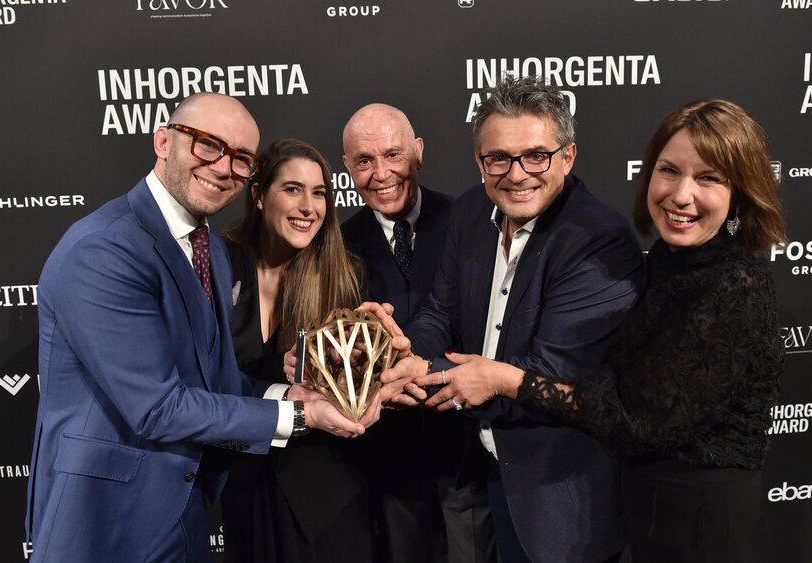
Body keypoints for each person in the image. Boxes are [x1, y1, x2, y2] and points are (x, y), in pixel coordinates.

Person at [415, 99, 787, 563]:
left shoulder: (732, 285)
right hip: (641, 507)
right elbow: (441, 311)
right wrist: (405, 358)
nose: (681, 195)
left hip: (700, 523)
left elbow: (628, 418)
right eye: (669, 171)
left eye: (708, 178)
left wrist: (497, 378)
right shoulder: (670, 261)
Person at [25, 93, 366, 563]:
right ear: (163, 142)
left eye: (241, 158)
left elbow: (212, 379)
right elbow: (158, 407)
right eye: (207, 144)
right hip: (102, 520)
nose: (223, 167)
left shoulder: (210, 249)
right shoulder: (104, 249)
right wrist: (301, 417)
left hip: (181, 515)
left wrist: (290, 395)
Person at [377, 75, 647, 563]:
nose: (517, 174)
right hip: (478, 469)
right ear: (479, 161)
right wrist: (405, 352)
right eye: (498, 158)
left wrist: (427, 373)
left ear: (568, 157)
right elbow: (439, 312)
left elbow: (548, 372)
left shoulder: (599, 241)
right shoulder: (470, 211)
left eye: (536, 156)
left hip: (559, 496)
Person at [340, 104, 495, 563]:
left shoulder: (471, 222)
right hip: (386, 459)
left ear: (419, 152)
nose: (381, 173)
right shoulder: (336, 245)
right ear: (347, 167)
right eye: (364, 161)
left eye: (393, 154)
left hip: (469, 448)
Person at [220, 138, 375, 563]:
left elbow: (359, 385)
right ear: (258, 194)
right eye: (292, 189)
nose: (309, 207)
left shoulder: (346, 275)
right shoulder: (217, 263)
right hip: (241, 482)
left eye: (319, 193)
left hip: (324, 493)